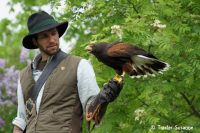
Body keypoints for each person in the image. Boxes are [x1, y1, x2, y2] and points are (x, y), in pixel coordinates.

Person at [12, 11, 123, 133]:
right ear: (35, 41)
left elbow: (92, 112)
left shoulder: (80, 65)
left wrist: (104, 99)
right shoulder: (23, 75)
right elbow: (21, 120)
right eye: (44, 36)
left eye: (54, 33)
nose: (52, 39)